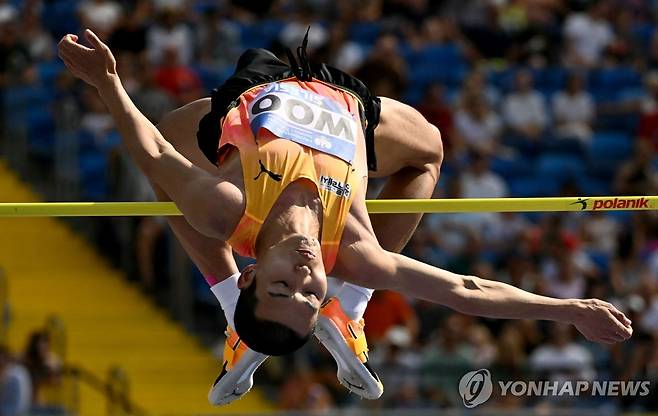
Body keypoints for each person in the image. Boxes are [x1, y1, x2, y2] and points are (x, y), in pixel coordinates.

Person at [58, 29, 633, 406]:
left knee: (168, 171)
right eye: (312, 296)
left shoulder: (227, 210)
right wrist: (567, 309)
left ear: (256, 272)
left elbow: (155, 154)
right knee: (430, 148)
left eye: (284, 286)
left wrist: (110, 84)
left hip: (258, 92)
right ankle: (352, 309)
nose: (307, 278)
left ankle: (233, 307)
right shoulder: (354, 252)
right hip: (343, 106)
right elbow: (462, 288)